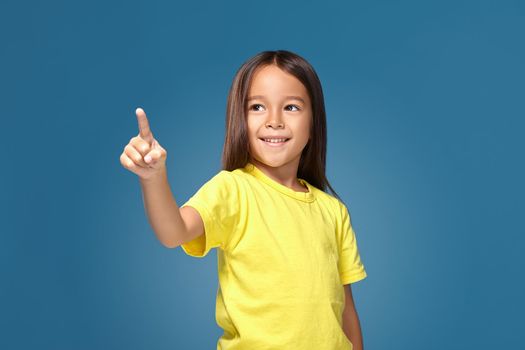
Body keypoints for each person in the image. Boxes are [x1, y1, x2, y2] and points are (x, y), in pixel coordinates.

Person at [120, 50, 368, 350]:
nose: (274, 120)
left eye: (291, 107)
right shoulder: (233, 190)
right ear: (240, 118)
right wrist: (153, 177)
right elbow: (174, 232)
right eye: (258, 107)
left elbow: (346, 310)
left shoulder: (334, 212)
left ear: (314, 122)